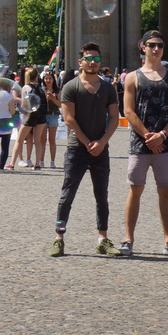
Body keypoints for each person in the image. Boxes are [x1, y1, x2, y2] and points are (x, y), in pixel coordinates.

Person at [121, 31, 168, 258]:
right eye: (152, 45)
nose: (156, 49)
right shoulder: (132, 77)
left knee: (166, 192)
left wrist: (163, 134)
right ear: (143, 47)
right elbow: (128, 111)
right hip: (140, 144)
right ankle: (128, 239)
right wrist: (148, 136)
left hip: (166, 143)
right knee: (135, 190)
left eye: (160, 45)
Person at [52, 43, 121, 257]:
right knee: (67, 194)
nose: (93, 62)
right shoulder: (71, 87)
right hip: (76, 148)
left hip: (101, 149)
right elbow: (69, 119)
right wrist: (87, 142)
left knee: (102, 195)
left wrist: (102, 142)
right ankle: (59, 238)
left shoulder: (108, 87)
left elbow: (114, 119)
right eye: (89, 58)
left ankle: (103, 238)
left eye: (97, 59)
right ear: (80, 61)